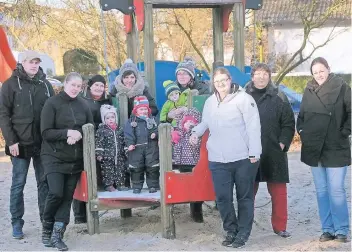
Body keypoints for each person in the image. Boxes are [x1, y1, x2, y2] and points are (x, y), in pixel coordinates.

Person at [190, 67, 262, 248]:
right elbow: (206, 121)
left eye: (224, 80)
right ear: (213, 84)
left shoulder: (244, 99)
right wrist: (196, 132)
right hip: (218, 158)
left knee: (244, 197)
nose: (221, 84)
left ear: (230, 80)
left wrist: (255, 152)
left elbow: (253, 126)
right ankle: (231, 229)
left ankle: (243, 232)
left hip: (243, 157)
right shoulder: (210, 102)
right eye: (217, 81)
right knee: (222, 198)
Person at [0, 50, 55, 239]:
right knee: (18, 184)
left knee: (44, 183)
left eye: (37, 62)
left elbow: (52, 113)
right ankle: (17, 222)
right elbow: (3, 115)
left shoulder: (46, 85)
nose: (34, 65)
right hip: (19, 144)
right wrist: (11, 141)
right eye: (30, 62)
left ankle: (45, 221)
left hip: (42, 144)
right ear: (22, 62)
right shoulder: (9, 85)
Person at [297, 57, 351, 243]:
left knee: (336, 190)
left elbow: (351, 111)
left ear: (329, 69)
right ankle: (327, 229)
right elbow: (302, 115)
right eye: (315, 72)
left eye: (321, 70)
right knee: (321, 190)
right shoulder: (309, 90)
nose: (319, 75)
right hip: (314, 146)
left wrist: (344, 131)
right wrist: (302, 131)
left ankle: (342, 230)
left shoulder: (342, 87)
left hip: (335, 145)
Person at [40, 72, 93, 250]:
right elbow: (46, 132)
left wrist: (78, 134)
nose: (76, 89)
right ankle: (46, 227)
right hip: (54, 156)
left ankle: (58, 234)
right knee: (56, 193)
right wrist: (67, 133)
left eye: (79, 86)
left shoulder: (83, 104)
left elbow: (89, 126)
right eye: (73, 85)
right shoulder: (52, 103)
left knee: (67, 197)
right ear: (65, 84)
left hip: (74, 159)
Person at [245, 63, 295, 238]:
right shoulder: (243, 96)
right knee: (248, 191)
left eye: (265, 74)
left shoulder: (279, 96)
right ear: (252, 76)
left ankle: (280, 226)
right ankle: (245, 226)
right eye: (257, 74)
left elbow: (288, 123)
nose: (261, 77)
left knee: (279, 192)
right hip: (249, 151)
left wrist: (282, 143)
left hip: (274, 150)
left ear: (269, 76)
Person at [72, 74, 113, 224]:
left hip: (102, 141)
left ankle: (94, 211)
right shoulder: (82, 101)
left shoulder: (107, 101)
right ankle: (79, 215)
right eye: (96, 85)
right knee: (83, 175)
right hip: (86, 140)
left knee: (98, 175)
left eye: (101, 86)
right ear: (90, 86)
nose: (99, 88)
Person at [172, 108, 204, 223]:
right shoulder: (179, 132)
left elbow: (198, 146)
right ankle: (176, 209)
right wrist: (173, 138)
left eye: (192, 122)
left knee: (195, 189)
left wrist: (195, 140)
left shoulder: (196, 135)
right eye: (187, 122)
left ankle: (197, 212)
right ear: (182, 123)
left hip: (192, 164)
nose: (189, 124)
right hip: (178, 163)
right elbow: (172, 145)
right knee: (179, 187)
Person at [124, 96, 160, 194]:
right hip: (136, 148)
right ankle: (137, 186)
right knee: (136, 168)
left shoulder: (153, 120)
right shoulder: (132, 121)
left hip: (151, 147)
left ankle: (153, 185)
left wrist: (155, 134)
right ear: (136, 110)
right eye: (141, 109)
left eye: (145, 109)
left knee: (152, 167)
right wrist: (130, 144)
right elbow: (128, 133)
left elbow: (158, 129)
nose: (143, 111)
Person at [167, 57, 210, 124]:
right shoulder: (172, 89)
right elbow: (165, 109)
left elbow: (208, 109)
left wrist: (187, 109)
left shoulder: (202, 88)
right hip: (177, 125)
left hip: (198, 125)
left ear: (191, 76)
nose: (181, 76)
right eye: (179, 74)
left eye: (185, 73)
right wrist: (169, 116)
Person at [95, 105, 128, 192]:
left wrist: (126, 150)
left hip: (119, 155)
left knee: (120, 170)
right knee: (107, 171)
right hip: (107, 156)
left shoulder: (120, 129)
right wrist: (99, 154)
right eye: (107, 118)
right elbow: (99, 142)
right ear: (104, 119)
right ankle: (109, 185)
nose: (110, 120)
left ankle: (120, 184)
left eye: (112, 117)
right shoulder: (102, 130)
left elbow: (124, 141)